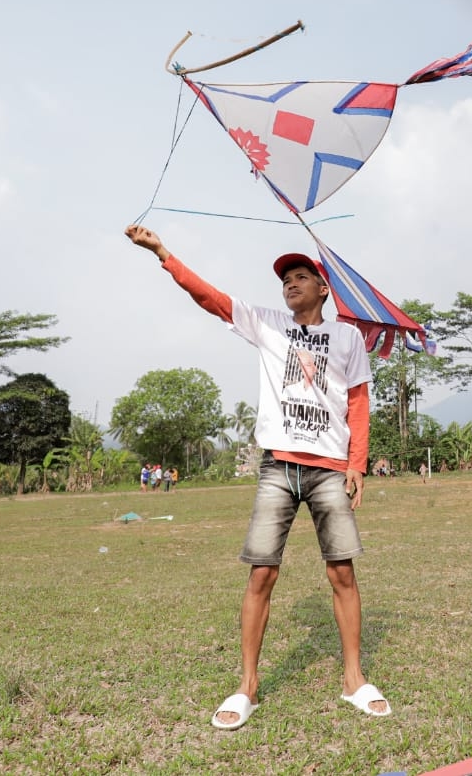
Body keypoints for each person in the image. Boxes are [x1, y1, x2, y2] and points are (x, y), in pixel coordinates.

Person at [124, 224, 389, 729]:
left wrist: (357, 464)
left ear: (323, 288)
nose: (289, 284)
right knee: (262, 572)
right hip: (278, 468)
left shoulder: (346, 337)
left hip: (330, 469)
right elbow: (211, 298)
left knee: (342, 572)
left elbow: (358, 402)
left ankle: (354, 679)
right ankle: (247, 685)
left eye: (299, 276)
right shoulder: (267, 324)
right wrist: (163, 252)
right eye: (284, 279)